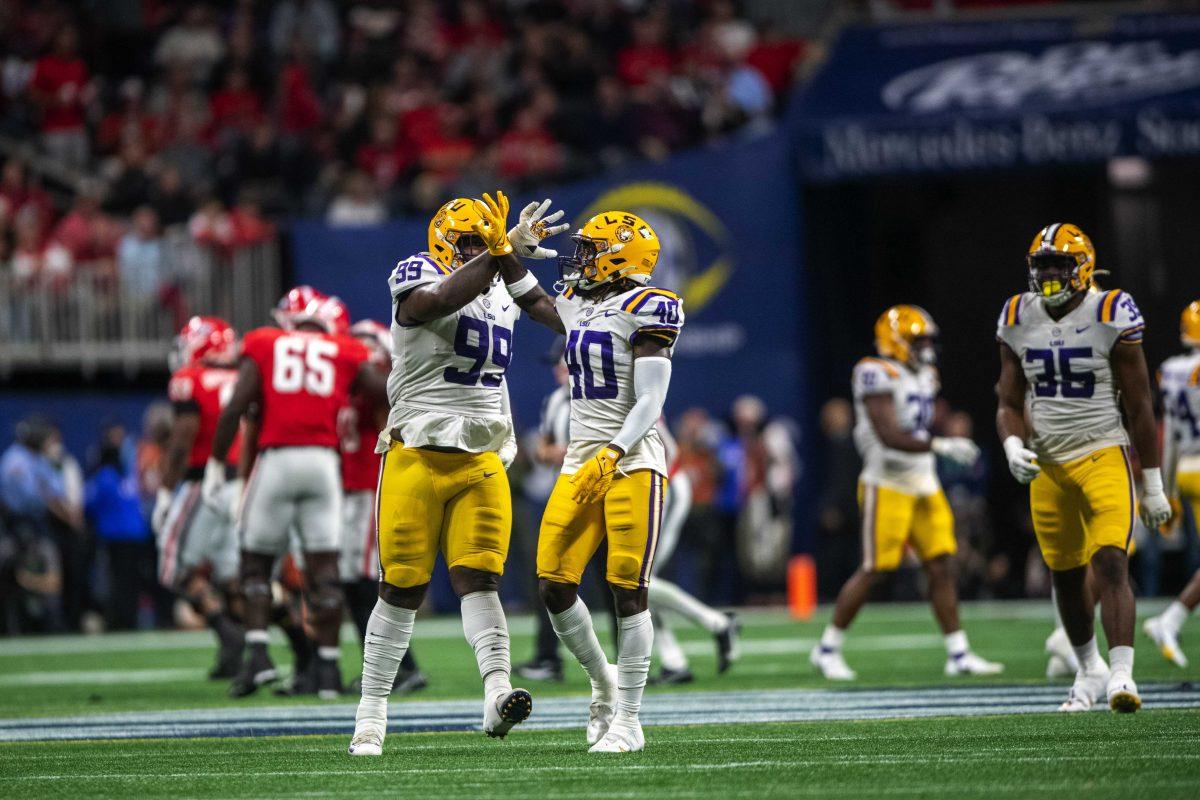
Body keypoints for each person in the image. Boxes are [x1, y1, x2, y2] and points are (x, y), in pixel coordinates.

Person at [348, 193, 568, 756]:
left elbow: (549, 310)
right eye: (468, 241)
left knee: (481, 580)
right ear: (444, 241)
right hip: (418, 450)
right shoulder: (417, 270)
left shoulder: (498, 279)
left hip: (483, 456)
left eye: (482, 239)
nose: (475, 249)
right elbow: (438, 299)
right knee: (402, 587)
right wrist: (498, 253)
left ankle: (497, 694)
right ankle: (371, 714)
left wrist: (603, 313)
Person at [502, 209, 684, 753]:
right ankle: (603, 682)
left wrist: (615, 450)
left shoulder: (651, 307)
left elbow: (651, 400)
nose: (579, 259)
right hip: (582, 462)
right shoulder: (582, 303)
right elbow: (533, 301)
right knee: (554, 583)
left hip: (631, 461)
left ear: (620, 257)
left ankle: (628, 720)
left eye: (590, 250)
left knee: (628, 588)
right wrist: (506, 250)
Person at [994, 223, 1172, 712]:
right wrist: (1012, 445)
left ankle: (1121, 676)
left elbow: (1139, 405)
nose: (1050, 274)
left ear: (1084, 267)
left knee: (1111, 559)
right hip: (1048, 462)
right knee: (1065, 575)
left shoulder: (1110, 310)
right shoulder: (1016, 314)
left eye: (1060, 265)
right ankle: (1088, 667)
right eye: (1042, 265)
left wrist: (1152, 483)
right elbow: (1007, 400)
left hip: (1101, 449)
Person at [207, 286, 381, 699]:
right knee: (326, 574)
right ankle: (327, 671)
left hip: (278, 461)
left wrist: (217, 464)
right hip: (324, 467)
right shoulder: (343, 350)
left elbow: (235, 408)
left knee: (255, 565)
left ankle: (260, 656)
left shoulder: (267, 343)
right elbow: (388, 391)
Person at [812, 306, 1002, 682]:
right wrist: (941, 446)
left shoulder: (926, 375)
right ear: (895, 342)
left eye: (928, 340)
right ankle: (827, 648)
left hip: (923, 482)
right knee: (876, 569)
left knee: (941, 564)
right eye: (918, 341)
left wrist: (936, 446)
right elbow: (888, 435)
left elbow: (918, 427)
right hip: (887, 482)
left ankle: (958, 652)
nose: (926, 348)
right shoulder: (874, 372)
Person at [153, 317, 245, 679]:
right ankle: (250, 654)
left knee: (172, 567)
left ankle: (228, 634)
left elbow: (181, 443)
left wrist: (164, 492)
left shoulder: (190, 381)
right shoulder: (243, 377)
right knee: (231, 575)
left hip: (201, 483)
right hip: (239, 484)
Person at [339, 319, 426, 695]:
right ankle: (397, 667)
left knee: (363, 583)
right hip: (350, 489)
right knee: (357, 583)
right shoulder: (349, 384)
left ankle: (400, 668)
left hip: (372, 487)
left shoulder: (383, 382)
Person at [648, 419, 740, 684]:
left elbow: (670, 449)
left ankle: (718, 623)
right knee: (637, 587)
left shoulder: (629, 388)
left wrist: (652, 486)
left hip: (662, 488)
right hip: (650, 491)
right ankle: (674, 661)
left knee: (638, 581)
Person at [1144, 300, 1200, 667]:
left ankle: (1171, 619)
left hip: (1186, 467)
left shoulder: (1171, 370)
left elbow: (1170, 439)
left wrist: (1166, 488)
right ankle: (1170, 619)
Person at [85, 422, 156, 631]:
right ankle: (124, 619)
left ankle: (124, 619)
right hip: (126, 536)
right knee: (124, 581)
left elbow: (91, 505)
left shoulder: (114, 477)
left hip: (122, 537)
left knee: (122, 581)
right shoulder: (115, 478)